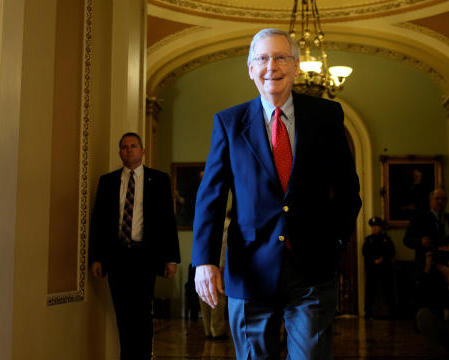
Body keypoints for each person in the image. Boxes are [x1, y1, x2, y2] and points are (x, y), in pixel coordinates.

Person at [192, 28, 362, 359]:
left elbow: (348, 190)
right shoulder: (229, 123)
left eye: (281, 57)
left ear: (296, 66)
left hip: (312, 269)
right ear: (250, 68)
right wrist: (205, 260)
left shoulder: (326, 116)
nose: (272, 66)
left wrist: (336, 241)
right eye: (263, 58)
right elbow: (211, 197)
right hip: (249, 270)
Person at [89, 132, 181, 360]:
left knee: (141, 315)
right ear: (120, 152)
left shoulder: (158, 180)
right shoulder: (108, 181)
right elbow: (99, 221)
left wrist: (171, 258)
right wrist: (96, 257)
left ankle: (143, 356)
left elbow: (168, 220)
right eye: (124, 147)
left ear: (142, 151)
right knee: (123, 315)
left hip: (145, 257)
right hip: (117, 256)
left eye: (133, 146)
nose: (128, 150)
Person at [403, 188, 449, 275]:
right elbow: (406, 240)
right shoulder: (419, 219)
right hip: (429, 267)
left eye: (443, 199)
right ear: (430, 201)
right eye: (437, 198)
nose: (440, 202)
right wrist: (420, 241)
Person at [198, 211, 231, 341]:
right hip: (218, 266)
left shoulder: (208, 222)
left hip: (203, 265)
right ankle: (217, 330)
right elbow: (224, 246)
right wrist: (222, 265)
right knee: (218, 297)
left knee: (205, 296)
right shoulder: (228, 225)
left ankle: (208, 330)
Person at [362, 217, 395, 319]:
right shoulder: (368, 240)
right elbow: (365, 253)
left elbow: (391, 252)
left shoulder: (386, 239)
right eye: (373, 227)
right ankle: (368, 312)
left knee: (388, 291)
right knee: (370, 291)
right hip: (372, 270)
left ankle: (392, 312)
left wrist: (383, 259)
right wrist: (373, 261)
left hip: (385, 269)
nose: (375, 229)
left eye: (377, 226)